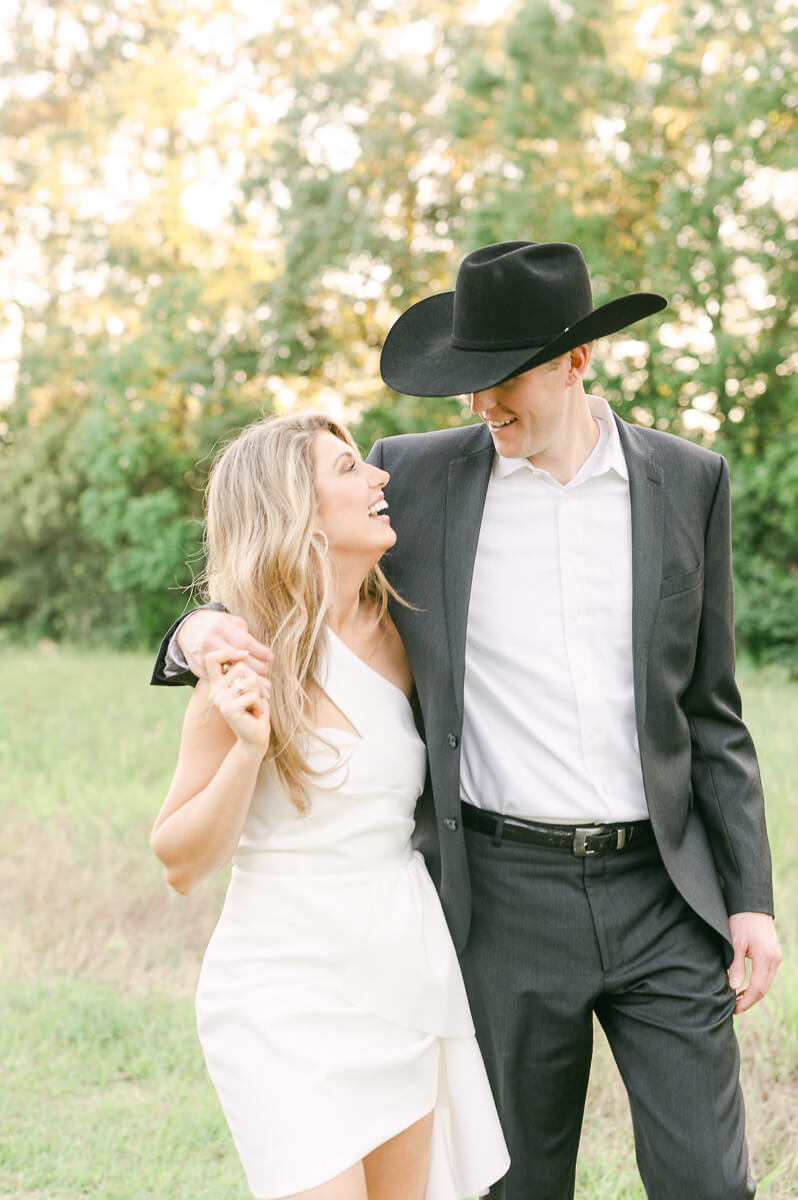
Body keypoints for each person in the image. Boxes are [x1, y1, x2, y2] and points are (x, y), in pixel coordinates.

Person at [153, 241, 782, 1200]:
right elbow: (280, 551)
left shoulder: (688, 480)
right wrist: (195, 633)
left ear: (577, 361)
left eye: (504, 380)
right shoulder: (420, 478)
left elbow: (713, 710)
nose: (483, 404)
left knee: (710, 1181)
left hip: (664, 891)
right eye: (469, 384)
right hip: (502, 894)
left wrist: (750, 900)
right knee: (514, 1185)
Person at [149, 411, 509, 1200]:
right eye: (349, 469)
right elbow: (179, 863)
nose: (380, 478)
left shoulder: (410, 631)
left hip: (402, 977)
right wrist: (247, 748)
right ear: (298, 511)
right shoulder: (243, 656)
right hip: (283, 993)